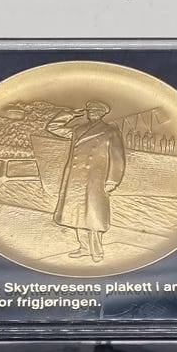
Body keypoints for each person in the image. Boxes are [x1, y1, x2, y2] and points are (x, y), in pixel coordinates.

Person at [47, 101, 125, 262]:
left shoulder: (110, 131)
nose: (92, 112)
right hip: (76, 179)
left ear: (102, 113)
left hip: (96, 179)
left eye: (96, 110)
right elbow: (53, 128)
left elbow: (118, 158)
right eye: (90, 110)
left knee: (93, 215)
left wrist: (112, 180)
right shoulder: (78, 130)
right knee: (77, 214)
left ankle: (97, 251)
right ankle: (84, 248)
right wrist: (69, 114)